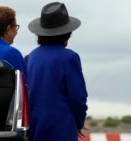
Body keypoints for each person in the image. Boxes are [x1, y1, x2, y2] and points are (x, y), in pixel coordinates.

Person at [26, 2, 88, 141]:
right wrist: (78, 122)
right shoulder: (69, 57)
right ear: (67, 32)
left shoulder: (32, 56)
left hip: (36, 128)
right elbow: (78, 98)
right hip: (62, 130)